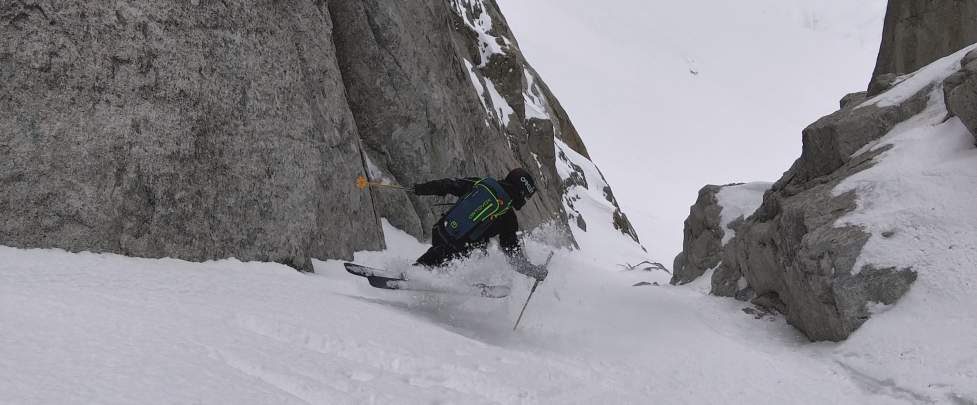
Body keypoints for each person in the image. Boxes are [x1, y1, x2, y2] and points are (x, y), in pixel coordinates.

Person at [410, 168, 548, 281]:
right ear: (521, 192)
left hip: (441, 230)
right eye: (525, 197)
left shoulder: (482, 184)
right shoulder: (508, 217)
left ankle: (415, 273)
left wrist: (419, 189)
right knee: (472, 255)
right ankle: (454, 283)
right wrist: (534, 271)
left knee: (439, 254)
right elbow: (513, 256)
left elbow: (449, 184)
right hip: (460, 251)